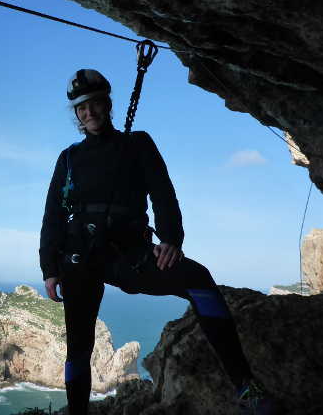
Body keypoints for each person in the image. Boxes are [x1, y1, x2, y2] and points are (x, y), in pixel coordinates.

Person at [39, 69, 267, 415]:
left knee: (199, 280)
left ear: (107, 104)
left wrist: (171, 239)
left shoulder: (137, 143)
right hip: (79, 257)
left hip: (128, 254)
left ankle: (245, 387)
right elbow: (53, 215)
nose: (88, 112)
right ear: (77, 115)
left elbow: (163, 194)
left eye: (94, 104)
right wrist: (49, 267)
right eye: (81, 108)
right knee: (79, 347)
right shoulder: (68, 158)